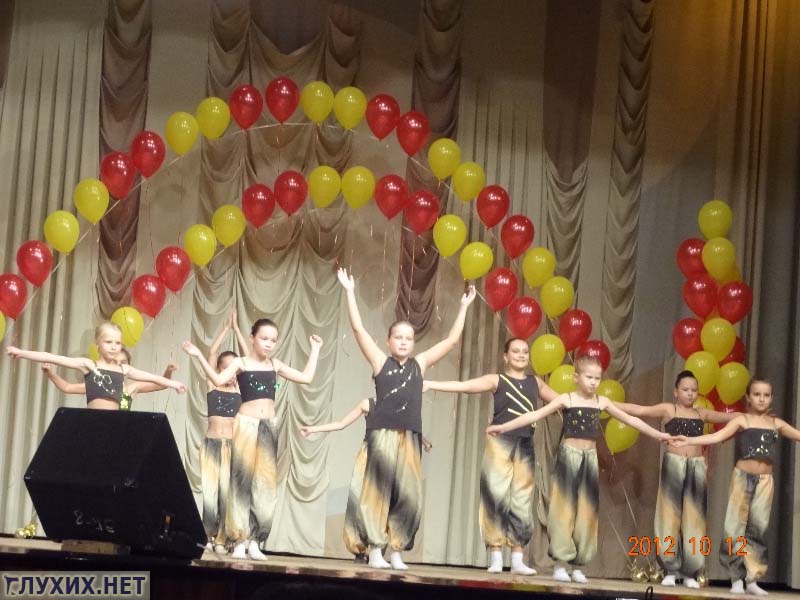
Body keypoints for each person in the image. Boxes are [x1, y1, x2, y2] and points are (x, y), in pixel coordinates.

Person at [336, 267, 476, 570]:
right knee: (378, 490)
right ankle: (376, 548)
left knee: (408, 493)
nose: (403, 342)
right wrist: (349, 291)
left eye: (408, 338)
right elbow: (359, 330)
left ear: (413, 343)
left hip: (410, 436)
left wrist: (464, 307)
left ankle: (397, 550)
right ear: (388, 341)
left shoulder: (420, 364)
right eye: (398, 337)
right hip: (383, 435)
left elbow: (451, 341)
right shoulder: (379, 361)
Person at [486, 355, 672, 583]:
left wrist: (659, 435)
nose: (593, 382)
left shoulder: (601, 402)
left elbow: (631, 420)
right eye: (589, 377)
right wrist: (504, 426)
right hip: (569, 457)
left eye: (597, 378)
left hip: (589, 458)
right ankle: (560, 564)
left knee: (587, 511)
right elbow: (535, 414)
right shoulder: (567, 399)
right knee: (563, 509)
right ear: (576, 378)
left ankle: (579, 566)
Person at [182, 318, 322, 561]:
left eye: (273, 340)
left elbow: (306, 377)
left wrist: (316, 349)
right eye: (264, 338)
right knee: (241, 481)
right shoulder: (241, 363)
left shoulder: (275, 365)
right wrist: (198, 356)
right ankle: (238, 540)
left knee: (265, 484)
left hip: (269, 425)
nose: (269, 344)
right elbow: (217, 380)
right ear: (252, 338)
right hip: (245, 424)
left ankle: (255, 541)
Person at [423, 337, 558, 575]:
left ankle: (517, 558)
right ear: (505, 356)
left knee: (522, 500)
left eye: (525, 351)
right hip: (500, 443)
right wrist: (432, 384)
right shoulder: (497, 380)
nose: (521, 355)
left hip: (525, 444)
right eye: (515, 351)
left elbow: (562, 401)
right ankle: (495, 555)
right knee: (495, 496)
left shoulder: (535, 382)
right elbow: (465, 386)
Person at [673, 378, 800, 596]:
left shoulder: (775, 423)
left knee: (758, 528)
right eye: (757, 394)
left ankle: (752, 578)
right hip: (742, 478)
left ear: (772, 398)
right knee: (735, 528)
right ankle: (736, 577)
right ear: (748, 397)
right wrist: (690, 441)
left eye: (766, 395)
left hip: (765, 482)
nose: (762, 399)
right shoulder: (742, 420)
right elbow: (717, 436)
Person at [613, 370, 739, 588]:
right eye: (685, 389)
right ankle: (669, 569)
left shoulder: (701, 413)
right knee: (669, 516)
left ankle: (690, 572)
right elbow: (639, 410)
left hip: (696, 466)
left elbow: (730, 417)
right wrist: (607, 403)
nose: (690, 394)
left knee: (694, 519)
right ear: (676, 391)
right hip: (674, 465)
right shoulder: (668, 409)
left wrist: (755, 416)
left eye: (694, 390)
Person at [7, 322, 186, 410]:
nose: (114, 347)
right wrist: (21, 352)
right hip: (92, 421)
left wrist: (174, 383)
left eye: (118, 343)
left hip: (116, 424)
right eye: (108, 342)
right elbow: (53, 357)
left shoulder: (124, 370)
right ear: (97, 343)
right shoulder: (89, 365)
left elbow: (154, 378)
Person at [198, 311, 247, 554]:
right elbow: (211, 352)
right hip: (211, 444)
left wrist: (237, 329)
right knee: (209, 493)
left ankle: (221, 538)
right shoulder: (213, 384)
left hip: (231, 446)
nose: (229, 373)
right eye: (224, 368)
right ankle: (207, 535)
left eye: (233, 369)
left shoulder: (240, 390)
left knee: (226, 495)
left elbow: (247, 358)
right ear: (218, 369)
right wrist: (226, 329)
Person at [41, 348, 177, 411]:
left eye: (123, 363)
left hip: (120, 432)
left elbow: (161, 385)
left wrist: (168, 371)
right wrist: (50, 373)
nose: (118, 366)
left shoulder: (131, 388)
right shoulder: (99, 385)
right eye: (115, 362)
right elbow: (67, 387)